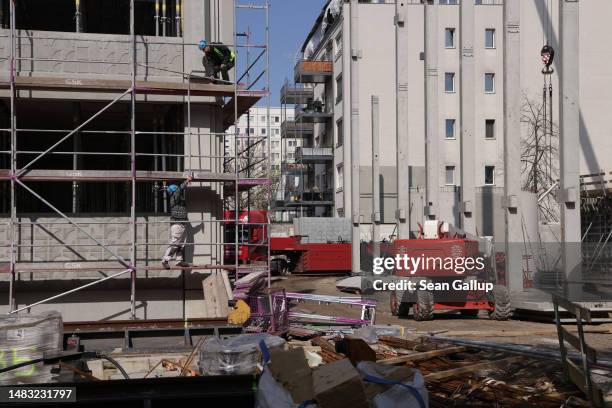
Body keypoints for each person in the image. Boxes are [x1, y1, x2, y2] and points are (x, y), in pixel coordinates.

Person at [162, 175, 193, 268]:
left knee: (181, 244)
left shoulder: (177, 198)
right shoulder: (175, 196)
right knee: (175, 243)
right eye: (176, 189)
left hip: (182, 224)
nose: (178, 191)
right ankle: (165, 260)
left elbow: (179, 190)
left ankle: (179, 260)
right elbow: (179, 190)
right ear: (173, 191)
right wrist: (187, 180)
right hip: (178, 224)